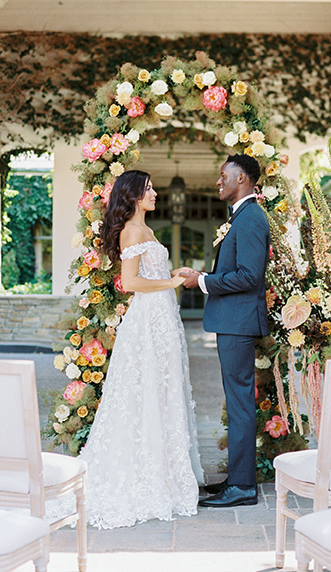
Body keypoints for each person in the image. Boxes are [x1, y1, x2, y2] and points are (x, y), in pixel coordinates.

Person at [63, 169, 204, 528]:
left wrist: (175, 275)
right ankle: (143, 479)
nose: (156, 193)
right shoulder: (131, 230)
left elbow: (151, 273)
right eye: (149, 189)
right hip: (146, 323)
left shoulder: (147, 230)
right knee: (144, 392)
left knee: (161, 391)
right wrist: (170, 281)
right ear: (134, 195)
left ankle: (163, 474)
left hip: (161, 318)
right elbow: (130, 282)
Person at [182, 154, 270, 508]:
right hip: (233, 321)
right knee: (237, 404)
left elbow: (250, 276)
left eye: (224, 176)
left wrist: (202, 280)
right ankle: (237, 481)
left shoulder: (249, 219)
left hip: (238, 323)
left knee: (240, 406)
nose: (218, 181)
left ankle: (243, 488)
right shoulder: (242, 217)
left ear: (243, 180)